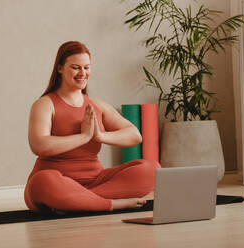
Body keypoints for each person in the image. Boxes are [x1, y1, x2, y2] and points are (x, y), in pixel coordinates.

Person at [24, 41, 161, 213]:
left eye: (87, 67)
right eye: (75, 67)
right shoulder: (45, 104)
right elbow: (39, 145)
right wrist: (83, 137)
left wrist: (100, 136)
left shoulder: (97, 105)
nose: (83, 73)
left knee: (152, 169)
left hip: (96, 180)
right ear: (60, 68)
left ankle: (77, 201)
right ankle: (111, 204)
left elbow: (135, 135)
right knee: (42, 181)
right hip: (56, 180)